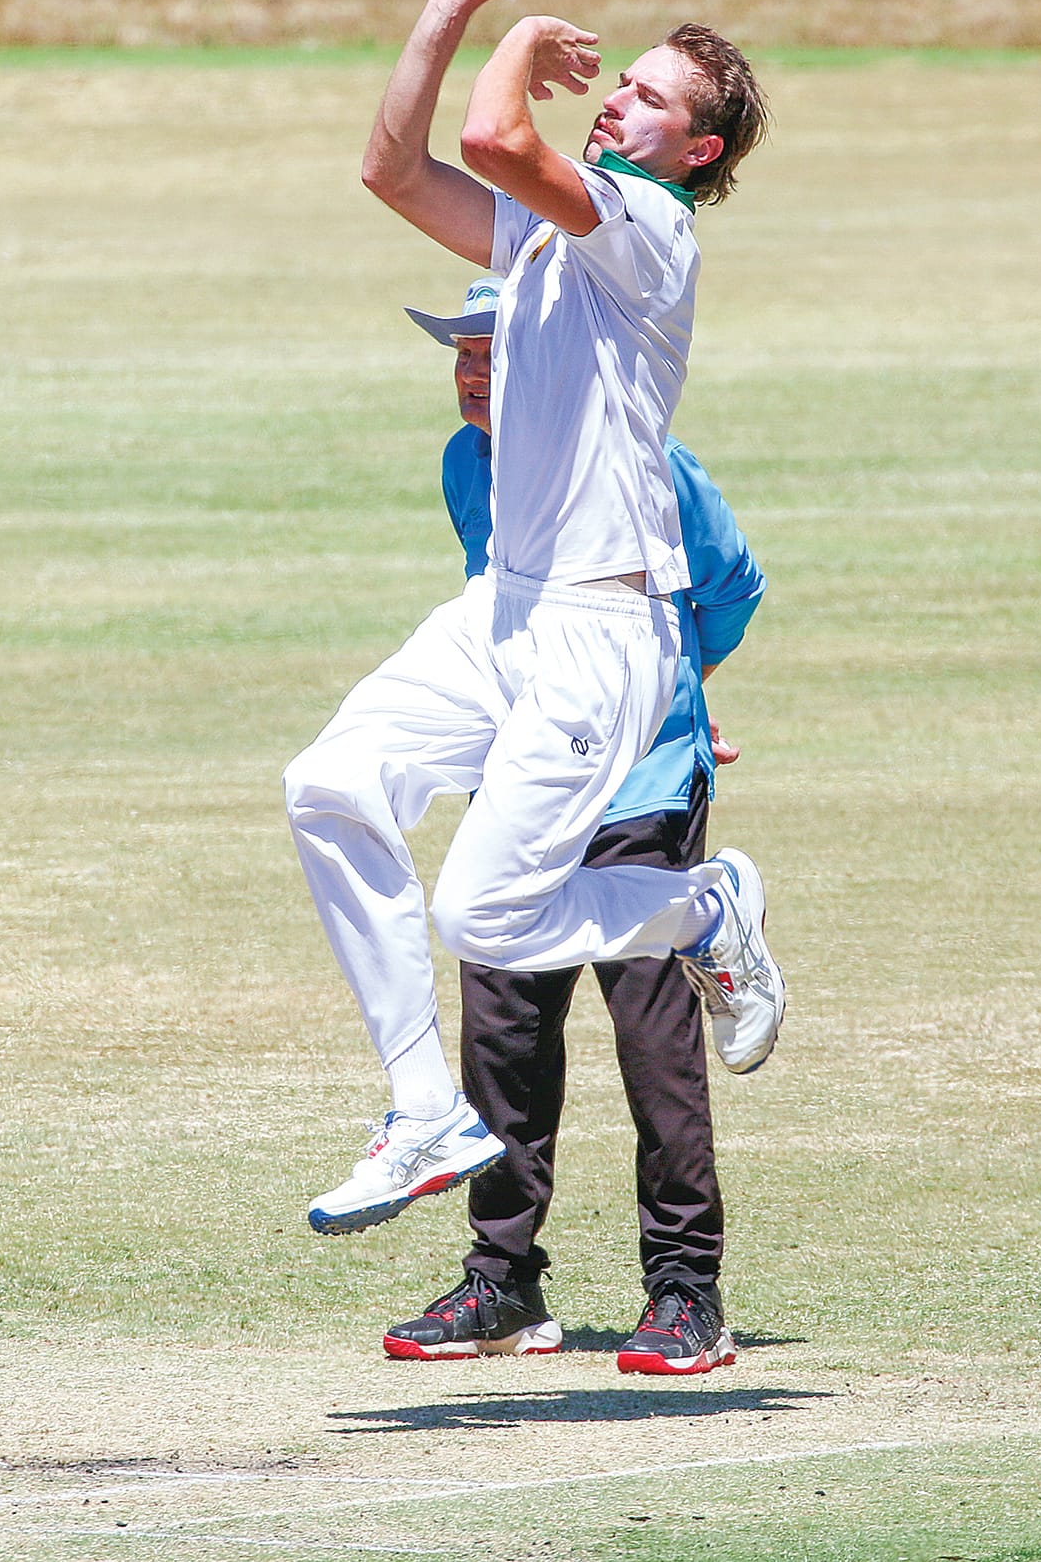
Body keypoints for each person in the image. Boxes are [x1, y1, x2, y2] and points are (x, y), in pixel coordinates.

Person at [283, 0, 783, 1246]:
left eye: (653, 97)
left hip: (596, 629)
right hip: (502, 607)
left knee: (478, 912)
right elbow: (394, 166)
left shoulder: (650, 228)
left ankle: (702, 903)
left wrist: (515, 40)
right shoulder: (550, 242)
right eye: (623, 83)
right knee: (329, 786)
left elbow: (505, 141)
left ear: (698, 151)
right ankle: (421, 1111)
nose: (619, 96)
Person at [378, 277, 764, 1376]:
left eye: (490, 353)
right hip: (527, 779)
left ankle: (686, 1294)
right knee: (499, 1032)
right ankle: (502, 1284)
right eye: (458, 350)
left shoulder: (642, 464)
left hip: (638, 782)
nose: (466, 370)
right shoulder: (467, 465)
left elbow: (729, 588)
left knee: (653, 1042)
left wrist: (665, 693)